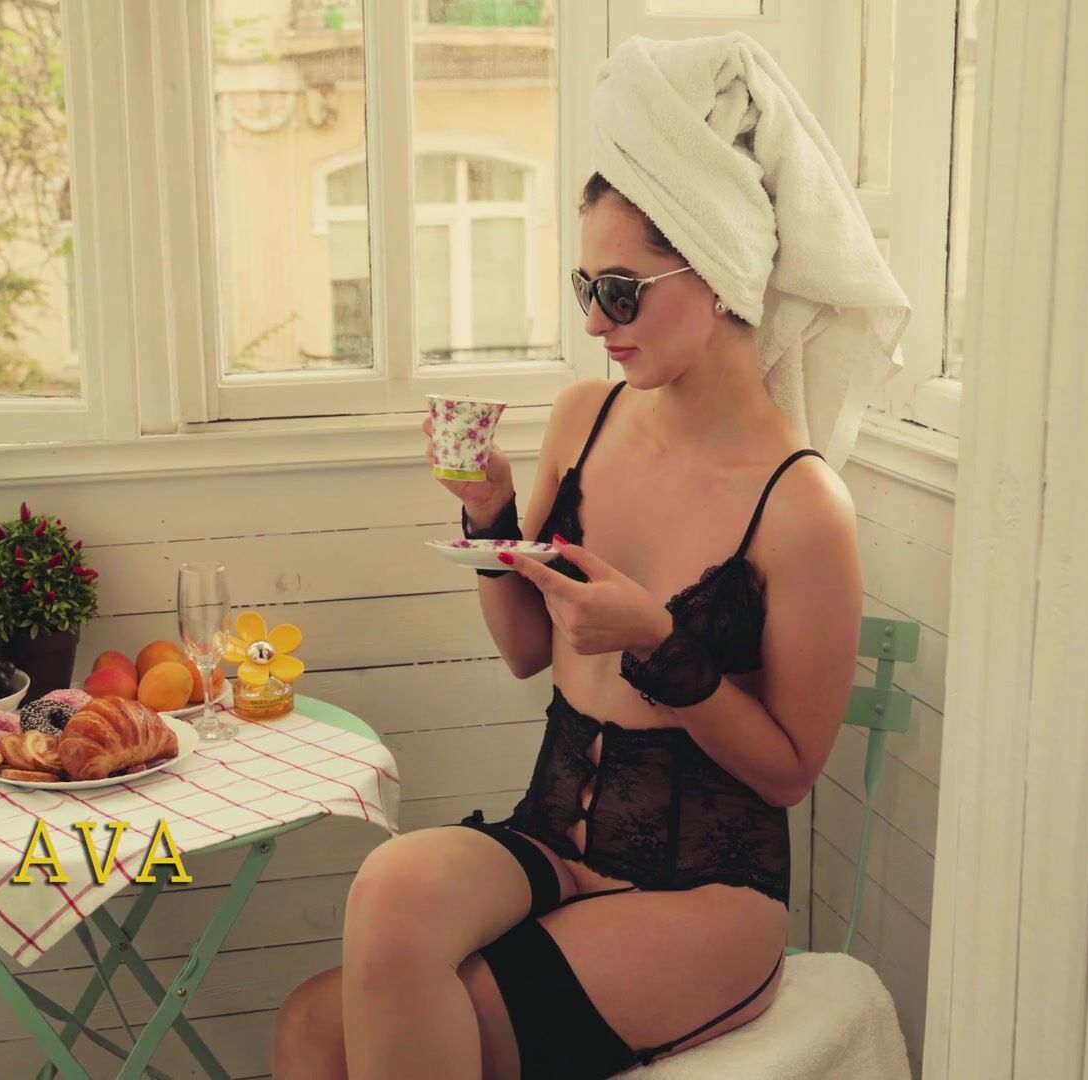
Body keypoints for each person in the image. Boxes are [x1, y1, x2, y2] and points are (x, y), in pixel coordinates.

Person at [273, 31, 909, 1080]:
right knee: (342, 967)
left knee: (352, 1030)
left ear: (718, 272)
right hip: (555, 835)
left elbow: (791, 771)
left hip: (704, 890)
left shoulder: (803, 506)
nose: (593, 322)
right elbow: (529, 650)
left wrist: (659, 642)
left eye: (620, 290)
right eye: (585, 287)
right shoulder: (584, 419)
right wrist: (490, 517)